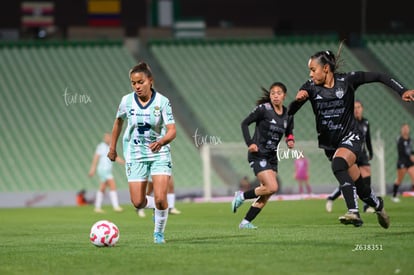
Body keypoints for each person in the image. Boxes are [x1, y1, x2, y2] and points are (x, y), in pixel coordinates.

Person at [288, 43, 414, 228]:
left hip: (351, 137)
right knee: (362, 189)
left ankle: (353, 211)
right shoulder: (310, 87)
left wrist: (402, 90)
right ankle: (378, 205)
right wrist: (296, 102)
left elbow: (379, 76)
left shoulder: (348, 80)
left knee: (338, 164)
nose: (310, 74)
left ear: (325, 68)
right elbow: (291, 111)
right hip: (330, 145)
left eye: (313, 70)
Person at [107, 62, 176, 244]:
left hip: (159, 153)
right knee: (137, 202)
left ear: (150, 81)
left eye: (140, 82)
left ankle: (158, 233)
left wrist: (161, 142)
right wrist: (112, 148)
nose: (137, 86)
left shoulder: (162, 102)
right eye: (133, 83)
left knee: (161, 197)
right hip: (135, 154)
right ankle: (157, 208)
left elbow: (172, 130)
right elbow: (118, 123)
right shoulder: (126, 101)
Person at [232, 82, 295, 229]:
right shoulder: (264, 109)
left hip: (272, 157)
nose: (275, 96)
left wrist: (290, 140)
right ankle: (241, 196)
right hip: (258, 154)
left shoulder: (288, 115)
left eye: (279, 93)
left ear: (284, 96)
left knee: (267, 193)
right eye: (273, 93)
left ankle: (245, 222)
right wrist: (250, 143)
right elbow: (244, 123)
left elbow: (289, 131)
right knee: (272, 187)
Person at [325, 100, 374, 213]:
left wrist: (371, 152)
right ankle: (331, 198)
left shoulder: (365, 122)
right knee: (350, 180)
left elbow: (368, 139)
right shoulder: (349, 123)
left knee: (366, 177)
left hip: (362, 154)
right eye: (354, 107)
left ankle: (367, 206)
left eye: (359, 107)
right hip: (351, 153)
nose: (357, 109)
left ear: (362, 108)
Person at [88, 133, 124, 213]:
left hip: (108, 170)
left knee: (102, 188)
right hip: (103, 170)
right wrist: (92, 169)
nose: (108, 139)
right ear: (104, 138)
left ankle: (97, 207)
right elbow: (96, 158)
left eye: (109, 137)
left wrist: (124, 162)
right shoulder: (101, 146)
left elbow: (115, 157)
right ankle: (116, 206)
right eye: (107, 138)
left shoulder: (111, 147)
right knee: (112, 185)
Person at [391, 123, 414, 202]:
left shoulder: (410, 140)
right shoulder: (399, 139)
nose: (405, 130)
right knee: (399, 180)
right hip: (402, 162)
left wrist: (412, 155)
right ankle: (394, 195)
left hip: (410, 162)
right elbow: (402, 151)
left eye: (407, 128)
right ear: (401, 130)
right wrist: (411, 156)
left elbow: (410, 150)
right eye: (404, 128)